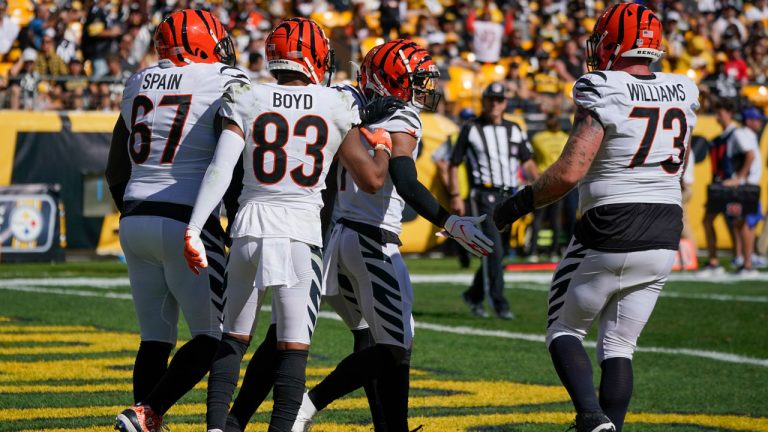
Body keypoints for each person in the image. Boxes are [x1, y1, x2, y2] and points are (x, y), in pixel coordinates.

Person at [181, 17, 404, 432]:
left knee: (233, 340)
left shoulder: (247, 95)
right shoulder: (334, 103)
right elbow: (372, 180)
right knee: (292, 350)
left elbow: (221, 168)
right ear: (316, 58)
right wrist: (385, 148)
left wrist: (194, 229)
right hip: (300, 232)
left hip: (248, 225)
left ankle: (216, 429)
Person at [493, 3, 699, 431]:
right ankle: (610, 428)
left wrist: (510, 210)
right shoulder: (684, 88)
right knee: (620, 344)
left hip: (611, 221)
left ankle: (590, 418)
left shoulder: (601, 85)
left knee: (564, 330)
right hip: (665, 228)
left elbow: (569, 172)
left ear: (614, 40)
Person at [288, 39, 492, 432]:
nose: (423, 90)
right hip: (372, 241)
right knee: (393, 346)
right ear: (390, 80)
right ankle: (307, 404)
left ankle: (393, 427)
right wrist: (450, 222)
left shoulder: (347, 101)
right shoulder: (401, 118)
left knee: (387, 339)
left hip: (341, 237)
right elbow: (403, 179)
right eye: (414, 80)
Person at [107, 9, 245, 432]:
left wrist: (134, 212)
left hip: (135, 218)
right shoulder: (223, 80)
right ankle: (146, 413)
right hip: (188, 220)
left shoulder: (137, 82)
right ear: (204, 44)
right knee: (211, 337)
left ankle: (146, 419)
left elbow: (116, 167)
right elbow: (233, 162)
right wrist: (234, 220)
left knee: (155, 339)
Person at [448, 81, 538, 320]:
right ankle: (500, 304)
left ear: (505, 103)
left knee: (502, 252)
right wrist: (456, 195)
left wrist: (538, 188)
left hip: (510, 196)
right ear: (484, 101)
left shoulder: (514, 129)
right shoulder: (471, 128)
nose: (495, 104)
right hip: (483, 195)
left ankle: (473, 295)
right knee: (493, 251)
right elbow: (453, 164)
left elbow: (527, 161)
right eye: (491, 99)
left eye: (499, 100)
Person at [700, 100, 763, 276]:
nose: (717, 117)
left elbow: (750, 156)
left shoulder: (737, 133)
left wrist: (739, 178)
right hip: (731, 185)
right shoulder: (732, 135)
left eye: (720, 113)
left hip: (736, 186)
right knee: (736, 222)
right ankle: (735, 262)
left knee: (742, 223)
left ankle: (746, 263)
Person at [529, 113, 569, 261]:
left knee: (541, 218)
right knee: (553, 219)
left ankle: (535, 251)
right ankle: (552, 251)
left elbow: (531, 159)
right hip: (554, 181)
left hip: (544, 179)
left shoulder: (538, 138)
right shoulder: (564, 138)